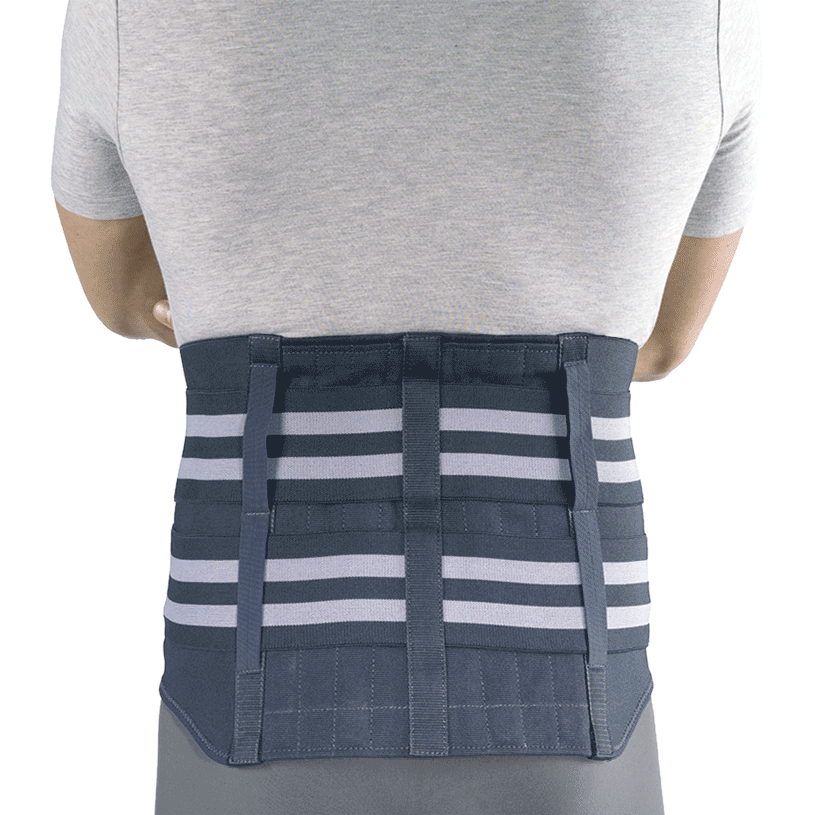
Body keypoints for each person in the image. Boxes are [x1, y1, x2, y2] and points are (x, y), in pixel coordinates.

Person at [51, 1, 761, 813]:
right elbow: (660, 338)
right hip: (571, 707)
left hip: (247, 702)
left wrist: (247, 284)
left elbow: (128, 291)